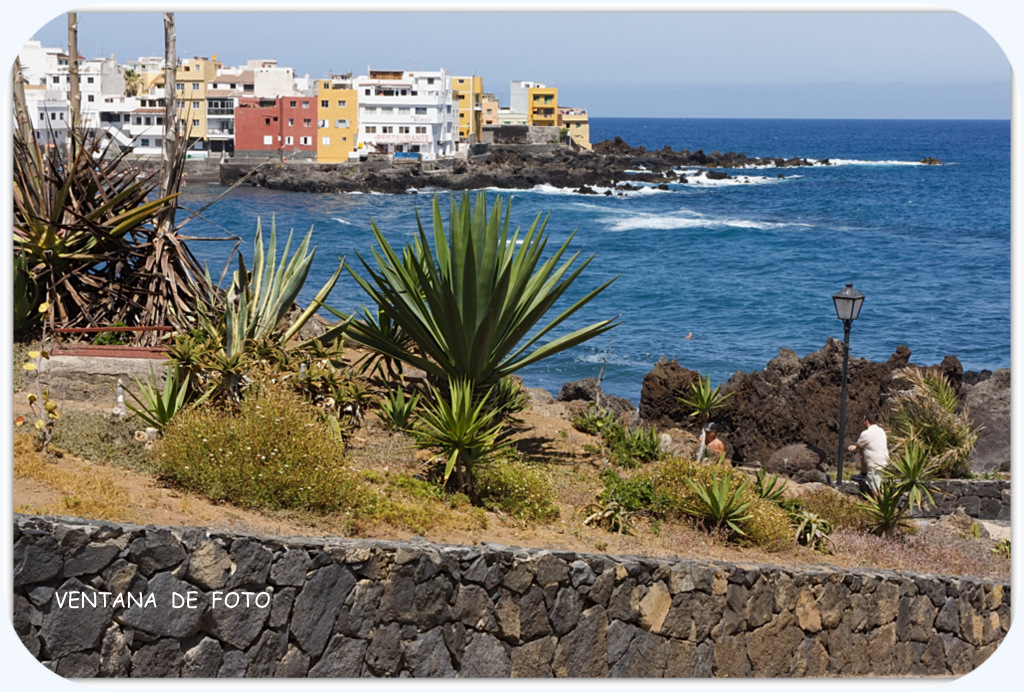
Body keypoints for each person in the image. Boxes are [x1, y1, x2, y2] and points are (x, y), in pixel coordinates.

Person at [848, 412, 889, 491]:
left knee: (874, 488)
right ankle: (863, 473)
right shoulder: (881, 431)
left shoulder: (866, 433)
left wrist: (853, 447)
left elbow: (858, 445)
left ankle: (878, 503)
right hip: (884, 460)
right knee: (876, 483)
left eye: (863, 420)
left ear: (867, 421)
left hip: (874, 463)